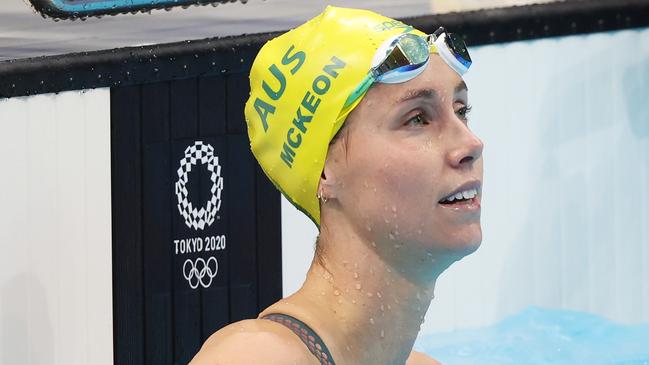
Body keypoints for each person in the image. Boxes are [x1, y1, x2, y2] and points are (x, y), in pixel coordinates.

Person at [190, 5, 483, 365]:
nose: (469, 144)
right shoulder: (256, 357)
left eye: (461, 110)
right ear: (325, 169)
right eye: (417, 119)